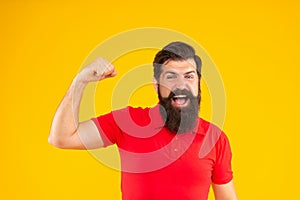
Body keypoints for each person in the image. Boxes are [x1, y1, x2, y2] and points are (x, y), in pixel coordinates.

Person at [49, 41, 238, 200]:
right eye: (170, 77)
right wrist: (80, 82)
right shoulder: (127, 121)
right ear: (156, 86)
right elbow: (61, 138)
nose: (181, 84)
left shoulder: (215, 138)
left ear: (198, 84)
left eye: (189, 76)